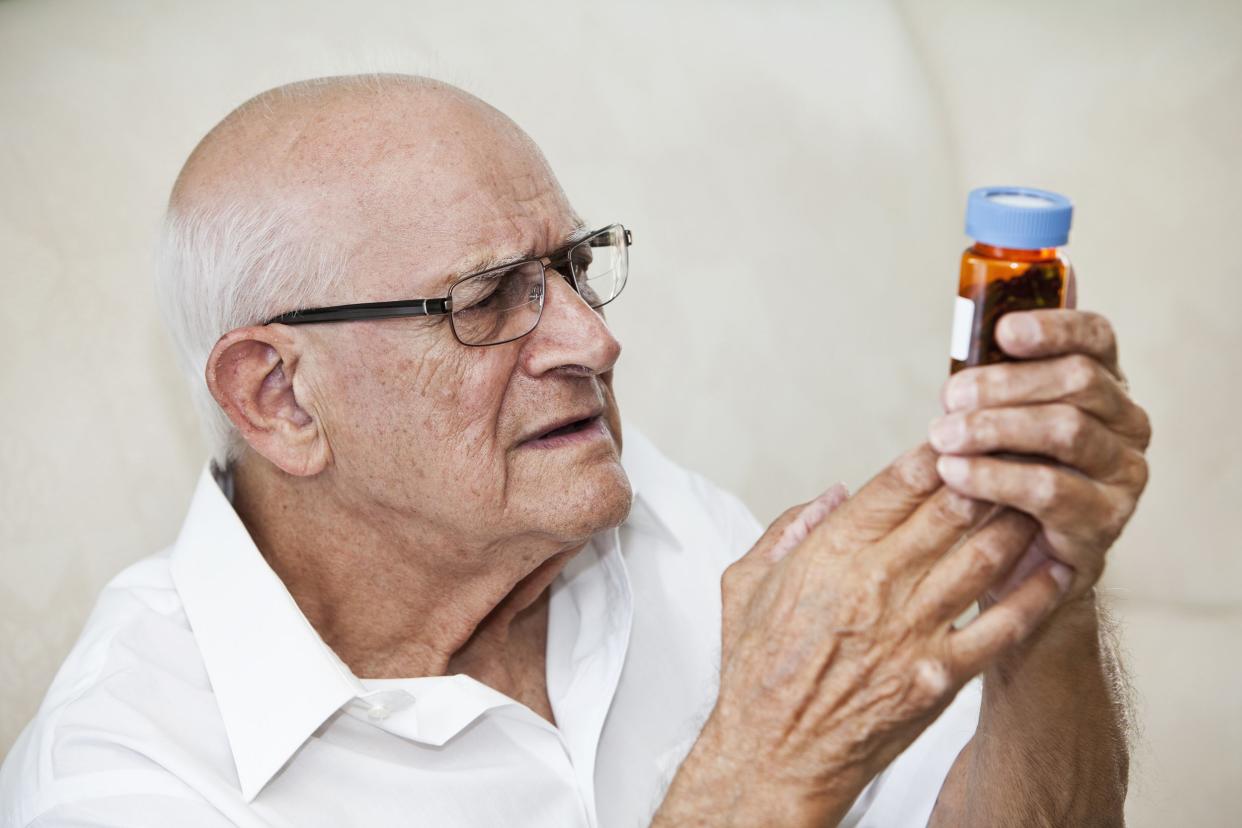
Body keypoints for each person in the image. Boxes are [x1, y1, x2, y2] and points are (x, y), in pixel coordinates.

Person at [0, 75, 1150, 827]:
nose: (595, 339)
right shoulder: (124, 781)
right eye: (491, 298)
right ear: (279, 397)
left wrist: (1042, 595)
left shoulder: (637, 505)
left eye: (576, 266)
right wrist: (767, 765)